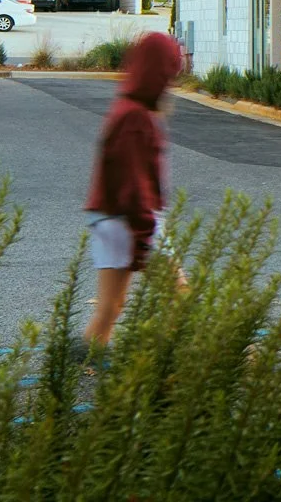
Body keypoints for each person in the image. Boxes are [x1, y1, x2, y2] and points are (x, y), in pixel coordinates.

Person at [82, 31, 183, 347]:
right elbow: (133, 185)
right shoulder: (136, 118)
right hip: (129, 221)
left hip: (108, 217)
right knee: (181, 299)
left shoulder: (127, 108)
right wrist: (144, 238)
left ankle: (83, 361)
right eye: (170, 72)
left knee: (111, 306)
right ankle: (200, 364)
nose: (172, 81)